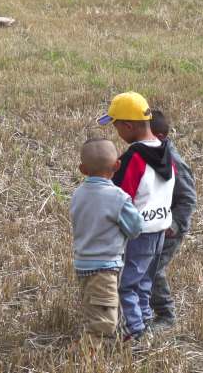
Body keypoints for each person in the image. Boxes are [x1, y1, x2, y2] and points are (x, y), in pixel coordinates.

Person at [97, 92, 175, 340]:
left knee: (127, 285)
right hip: (160, 228)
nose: (116, 131)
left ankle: (136, 333)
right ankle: (145, 319)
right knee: (144, 282)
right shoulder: (166, 152)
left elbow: (120, 196)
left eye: (116, 125)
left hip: (139, 232)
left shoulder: (134, 157)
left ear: (128, 125)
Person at [70, 138, 143, 338]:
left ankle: (99, 346)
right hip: (104, 267)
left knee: (96, 307)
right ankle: (88, 355)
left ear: (83, 169)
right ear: (117, 165)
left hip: (82, 263)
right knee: (104, 321)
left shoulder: (77, 194)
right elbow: (135, 228)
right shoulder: (118, 197)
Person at [149, 110, 197, 330]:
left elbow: (188, 198)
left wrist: (176, 225)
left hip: (169, 228)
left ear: (158, 136)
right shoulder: (150, 153)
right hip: (152, 225)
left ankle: (166, 315)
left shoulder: (173, 161)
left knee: (153, 268)